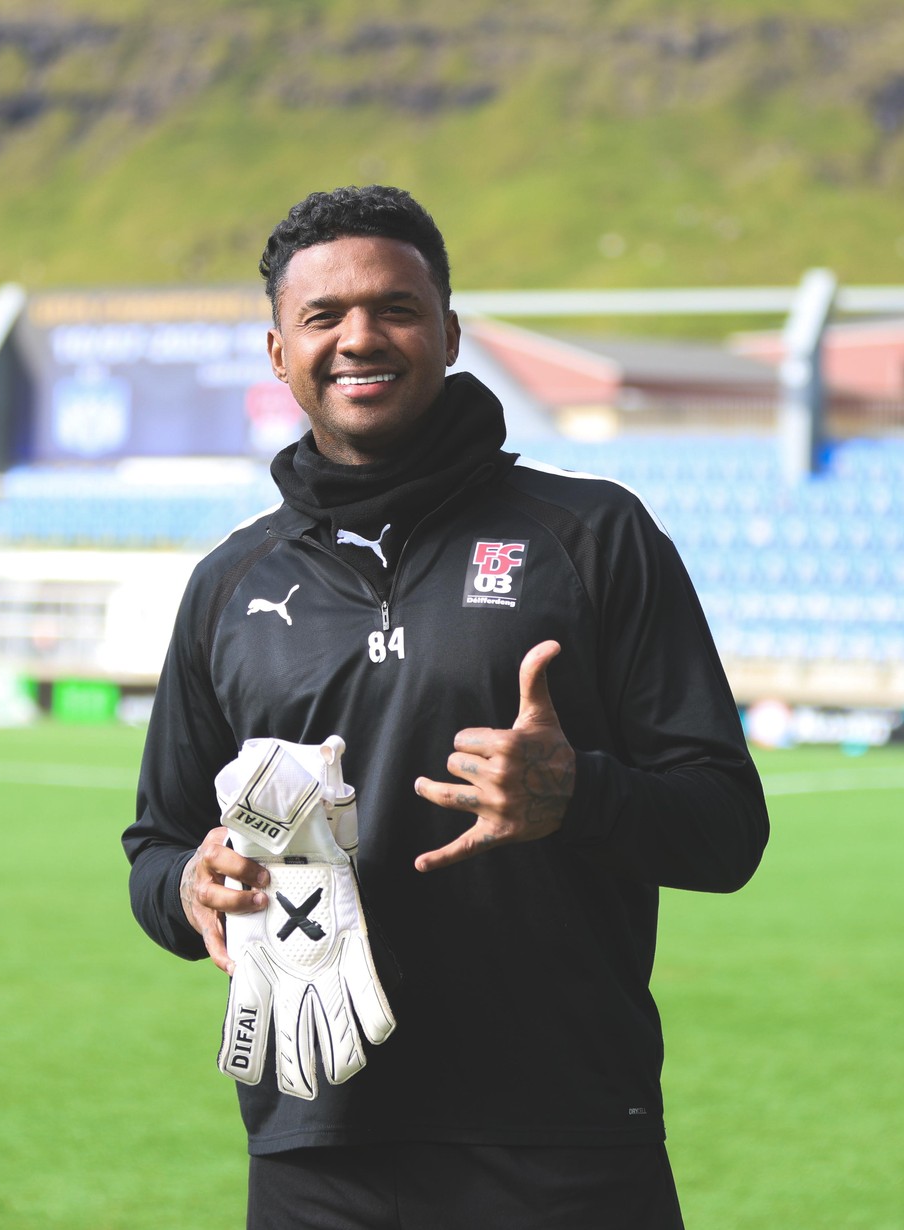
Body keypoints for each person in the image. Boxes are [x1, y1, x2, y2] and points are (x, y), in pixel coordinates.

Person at [122, 185, 769, 1229]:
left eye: (397, 308)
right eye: (324, 317)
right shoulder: (228, 582)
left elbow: (729, 831)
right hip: (315, 1145)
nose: (360, 338)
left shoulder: (596, 535)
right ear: (279, 352)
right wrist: (191, 887)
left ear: (451, 333)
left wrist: (581, 794)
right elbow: (155, 846)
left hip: (564, 1138)